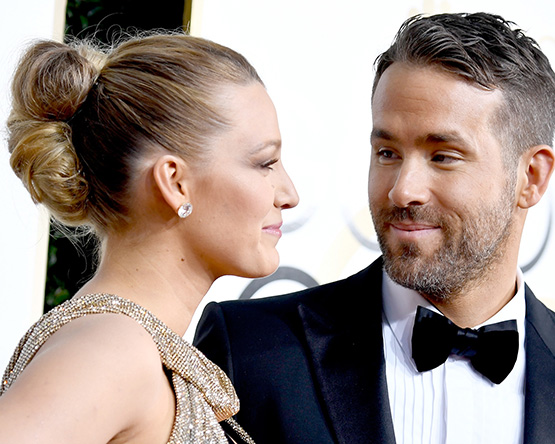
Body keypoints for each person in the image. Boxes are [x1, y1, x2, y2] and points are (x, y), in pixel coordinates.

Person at [194, 12, 555, 444]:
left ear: (531, 178)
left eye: (443, 156)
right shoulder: (250, 352)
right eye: (387, 152)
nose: (403, 191)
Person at [0, 32, 298, 444]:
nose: (289, 195)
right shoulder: (111, 351)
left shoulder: (124, 346)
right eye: (265, 163)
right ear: (175, 183)